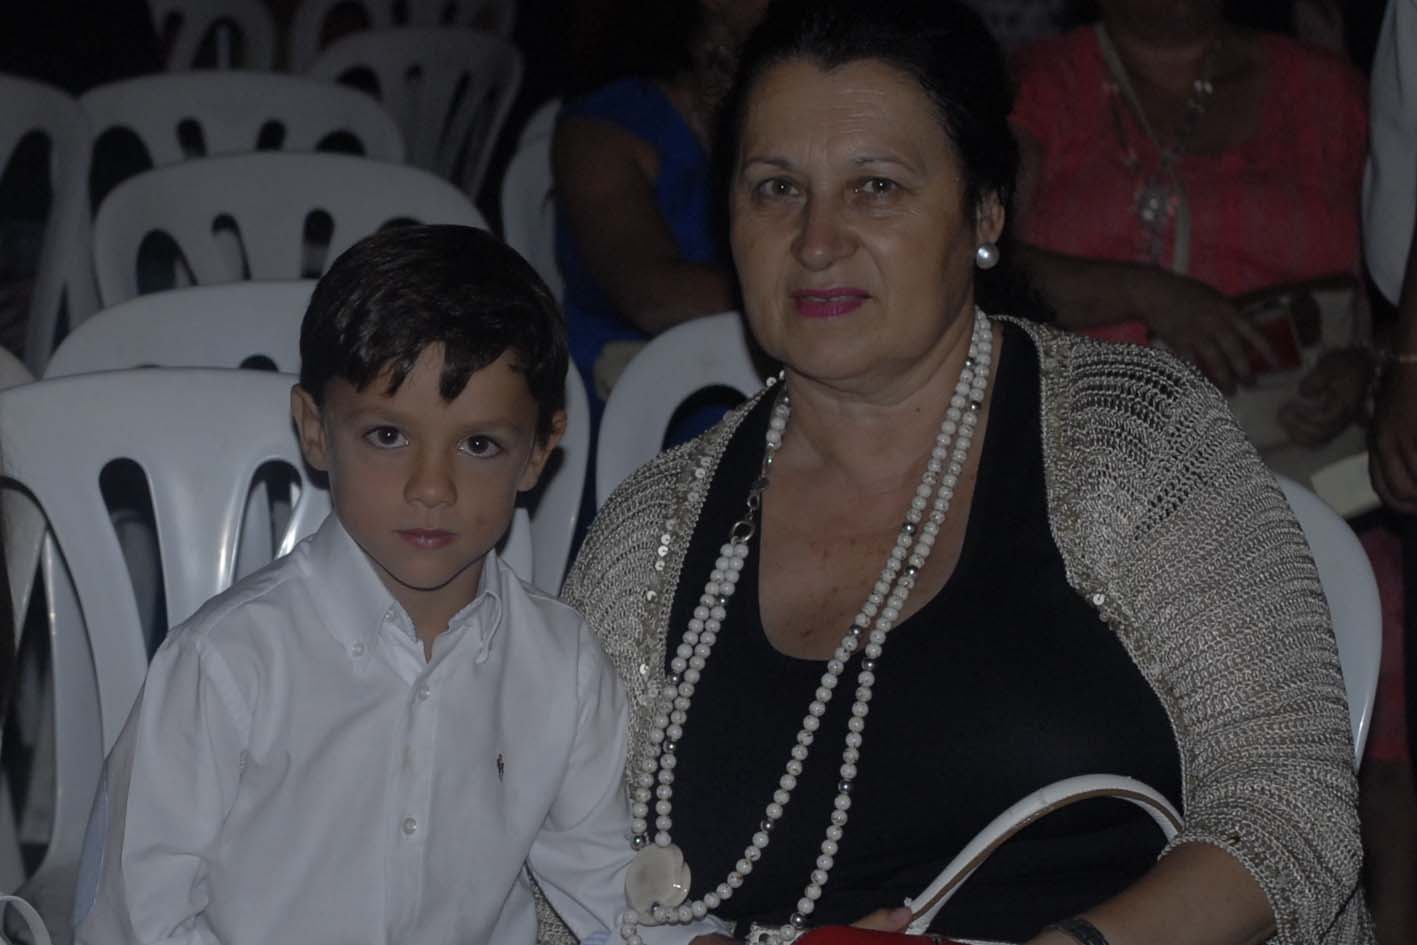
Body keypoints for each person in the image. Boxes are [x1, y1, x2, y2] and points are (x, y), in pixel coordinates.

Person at [552, 1, 1371, 943]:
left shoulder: (1130, 442)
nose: (815, 241)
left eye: (876, 187)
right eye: (776, 188)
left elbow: (1290, 808)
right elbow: (559, 893)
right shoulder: (651, 536)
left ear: (984, 211)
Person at [72, 226, 713, 945]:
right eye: (387, 436)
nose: (431, 487)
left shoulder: (560, 665)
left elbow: (603, 878)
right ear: (316, 430)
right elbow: (134, 920)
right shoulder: (224, 663)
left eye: (478, 444)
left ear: (537, 452)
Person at [1009, 0, 1372, 482]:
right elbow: (976, 265)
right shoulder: (1036, 87)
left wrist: (1371, 367)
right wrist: (1144, 294)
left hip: (1308, 467)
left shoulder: (1326, 91)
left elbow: (1389, 290)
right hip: (1103, 466)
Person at [553, 0, 766, 415]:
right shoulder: (602, 128)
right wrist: (809, 296)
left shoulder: (792, 112)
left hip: (765, 388)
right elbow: (654, 296)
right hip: (639, 407)